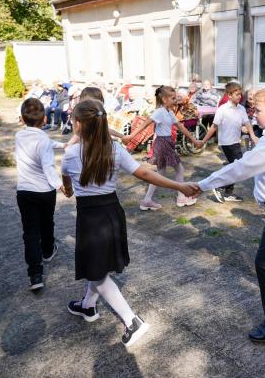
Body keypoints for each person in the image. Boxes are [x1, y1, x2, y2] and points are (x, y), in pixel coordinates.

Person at [61, 99, 197, 346]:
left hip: (91, 218)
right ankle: (87, 306)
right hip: (113, 212)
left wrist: (68, 190)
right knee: (98, 266)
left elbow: (66, 182)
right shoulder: (114, 149)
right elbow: (143, 173)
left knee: (97, 272)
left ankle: (132, 321)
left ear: (78, 125)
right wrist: (178, 185)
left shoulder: (71, 154)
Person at [189, 84, 265, 343]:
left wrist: (201, 185)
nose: (253, 114)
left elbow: (240, 169)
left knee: (264, 262)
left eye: (257, 110)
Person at [15, 98, 66, 291]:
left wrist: (62, 145)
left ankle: (35, 275)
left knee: (30, 231)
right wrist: (61, 185)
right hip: (44, 191)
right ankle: (47, 251)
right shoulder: (43, 140)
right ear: (45, 119)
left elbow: (42, 142)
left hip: (24, 191)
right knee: (46, 222)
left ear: (22, 119)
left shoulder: (19, 135)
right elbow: (48, 166)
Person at [122, 86, 202, 210]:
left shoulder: (169, 112)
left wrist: (194, 140)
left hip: (166, 142)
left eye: (176, 98)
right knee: (179, 169)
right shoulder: (159, 112)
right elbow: (145, 124)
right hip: (163, 143)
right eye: (173, 98)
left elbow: (181, 128)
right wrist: (131, 135)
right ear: (164, 99)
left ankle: (147, 200)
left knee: (160, 173)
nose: (175, 100)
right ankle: (181, 197)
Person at [199, 82, 259, 203]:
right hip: (227, 143)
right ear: (229, 95)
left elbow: (247, 123)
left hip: (236, 142)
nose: (240, 96)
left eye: (240, 94)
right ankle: (220, 186)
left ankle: (227, 192)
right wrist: (203, 141)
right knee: (240, 167)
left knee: (236, 167)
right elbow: (214, 127)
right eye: (237, 94)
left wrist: (253, 136)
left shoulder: (241, 108)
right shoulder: (222, 109)